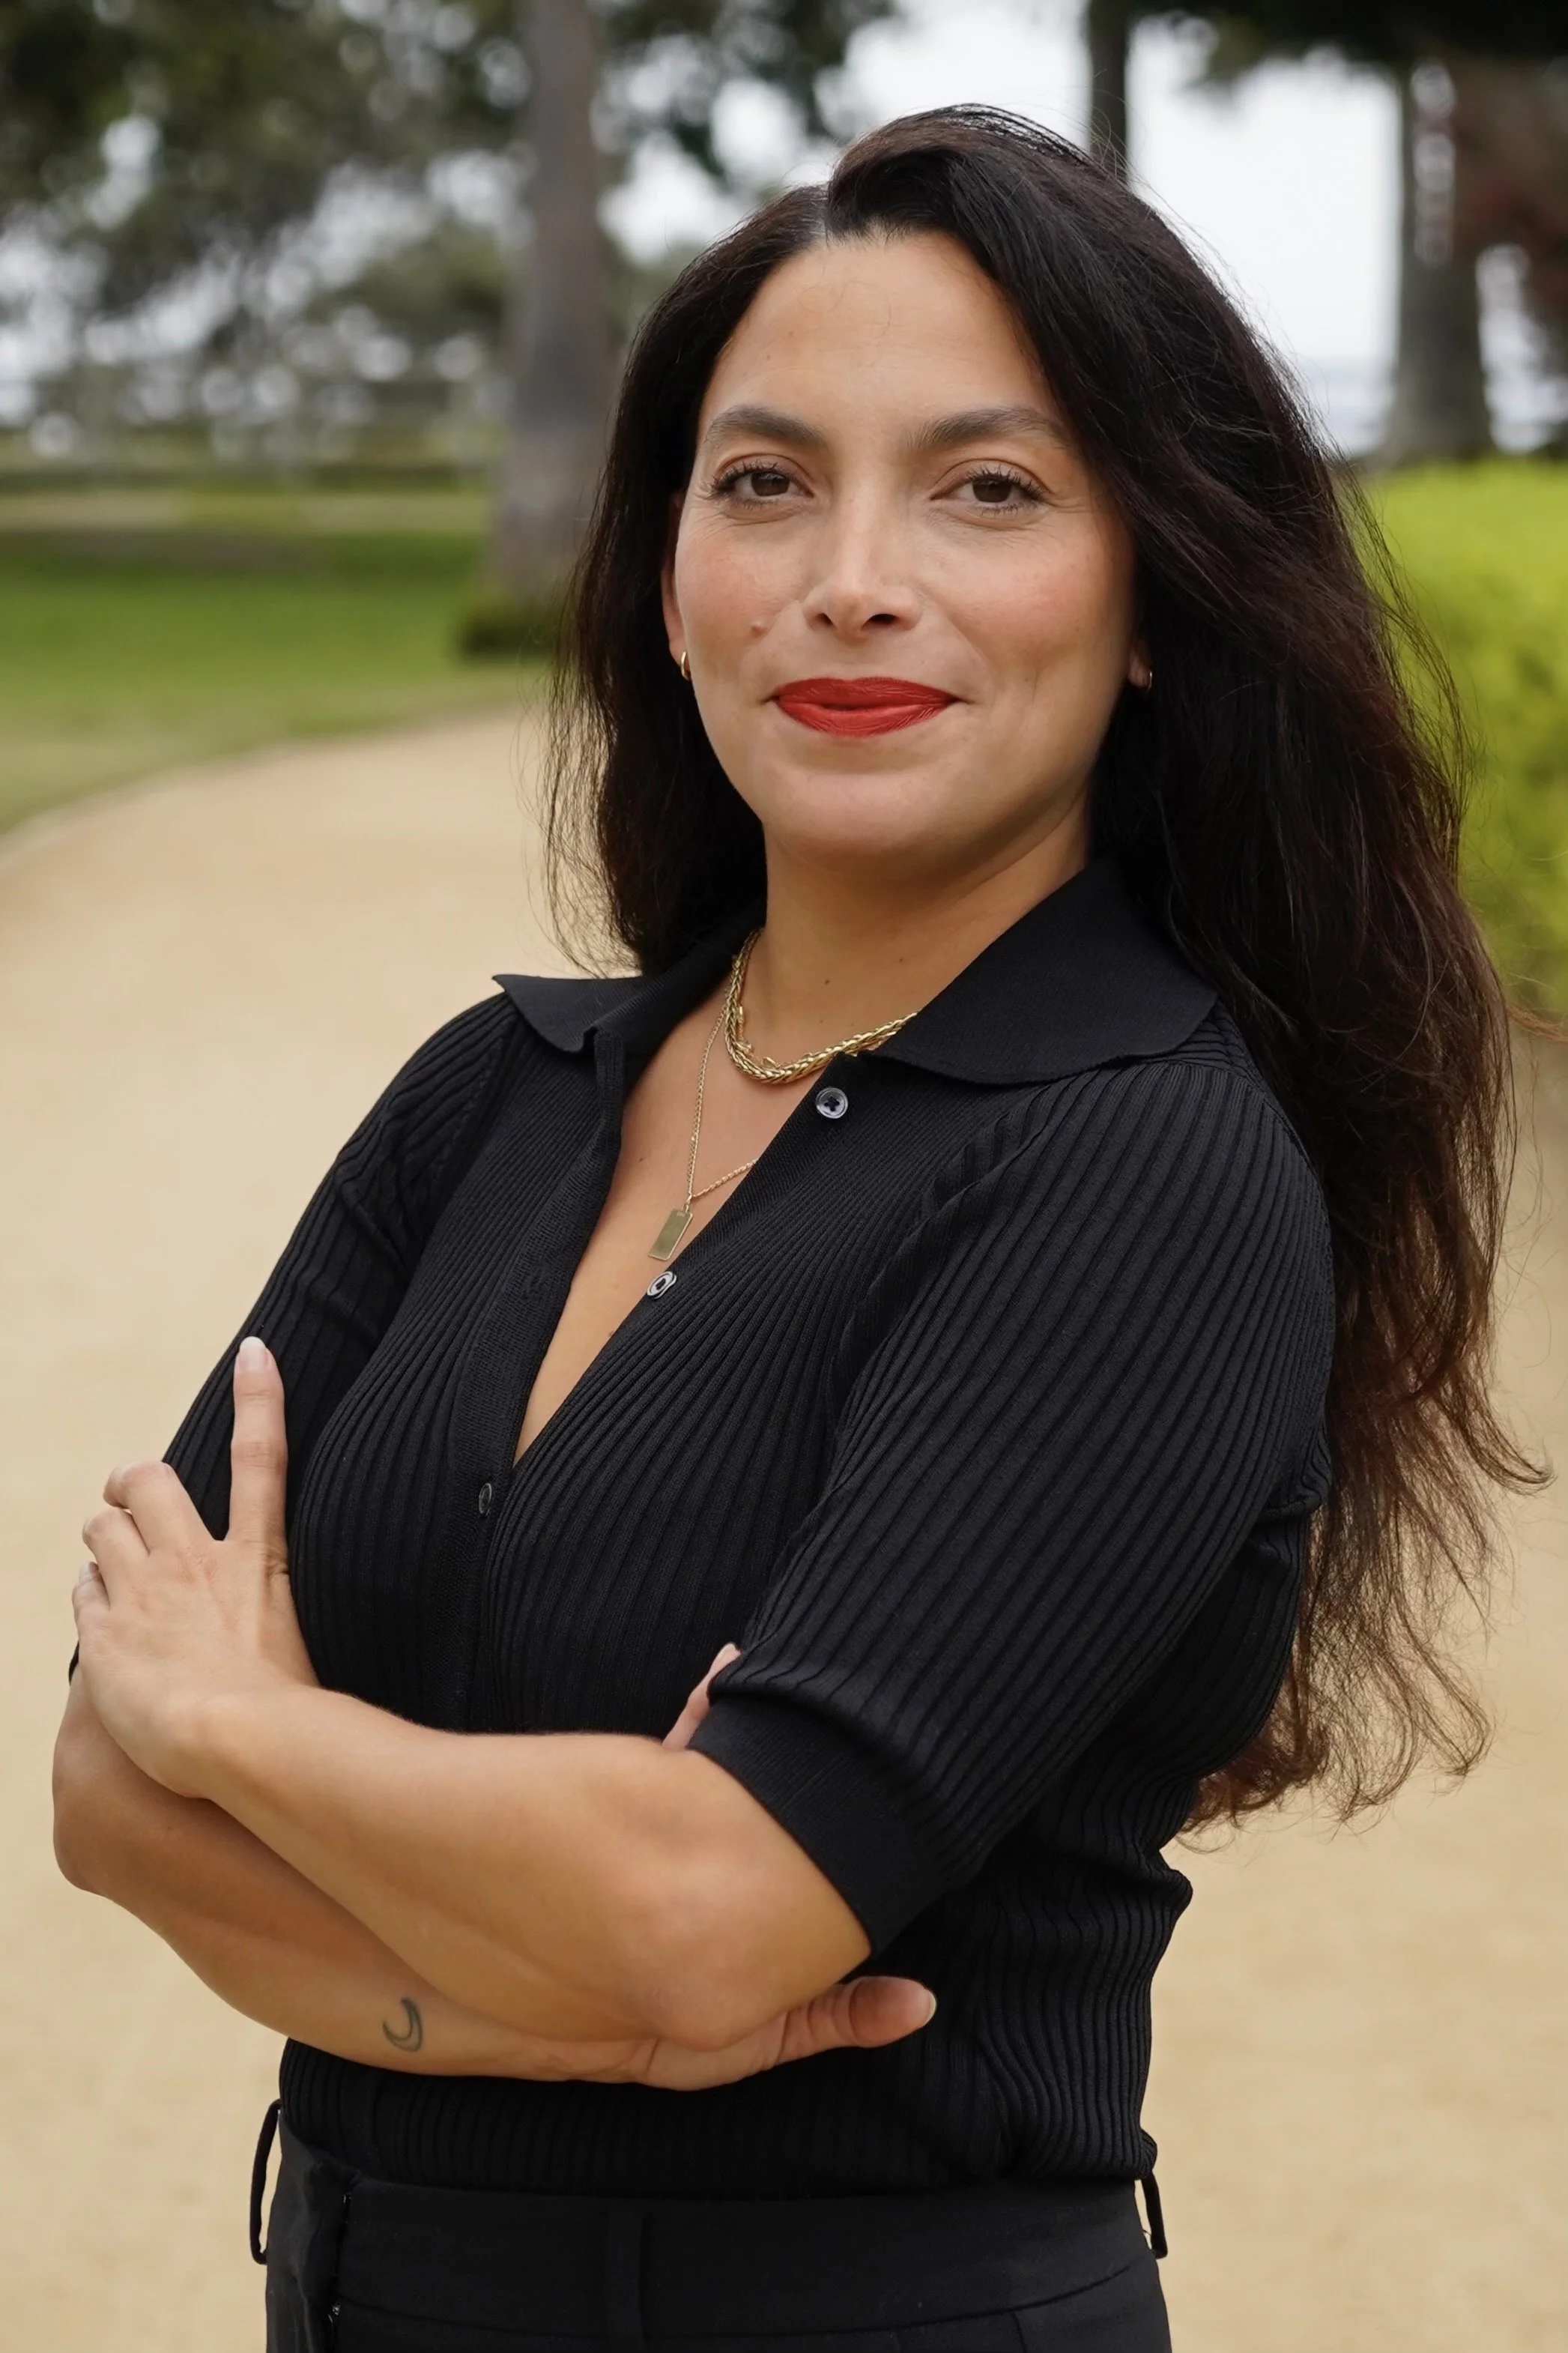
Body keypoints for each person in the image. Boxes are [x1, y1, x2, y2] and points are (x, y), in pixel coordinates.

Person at [53, 107, 1530, 2353]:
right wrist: (534, 2012)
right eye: (762, 483)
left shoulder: (1145, 1169)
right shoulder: (489, 1101)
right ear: (668, 572)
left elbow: (709, 1910)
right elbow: (98, 1786)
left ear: (1151, 598)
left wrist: (256, 1733)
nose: (852, 576)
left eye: (987, 487)